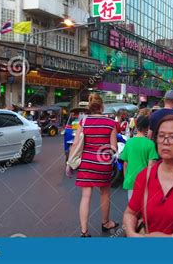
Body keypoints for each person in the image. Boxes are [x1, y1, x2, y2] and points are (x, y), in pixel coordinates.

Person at [72, 93, 119, 237]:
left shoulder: (84, 122)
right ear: (102, 106)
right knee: (105, 193)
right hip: (103, 163)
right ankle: (106, 223)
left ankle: (84, 231)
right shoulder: (111, 123)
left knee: (86, 196)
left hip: (86, 163)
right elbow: (114, 148)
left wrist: (70, 164)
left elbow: (75, 144)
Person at [120, 116, 159, 200]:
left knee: (132, 207)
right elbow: (151, 165)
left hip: (131, 180)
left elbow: (125, 163)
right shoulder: (150, 144)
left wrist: (126, 178)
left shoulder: (129, 142)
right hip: (144, 181)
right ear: (148, 127)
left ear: (136, 125)